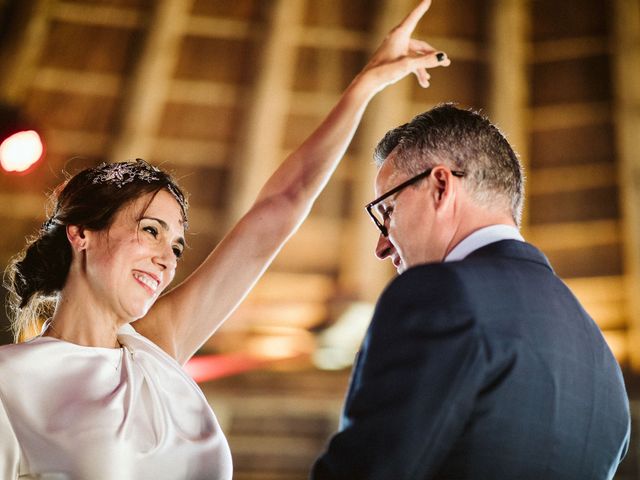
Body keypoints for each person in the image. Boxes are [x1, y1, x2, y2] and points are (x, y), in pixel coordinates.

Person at [0, 1, 449, 478]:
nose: (165, 260)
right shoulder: (11, 382)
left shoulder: (156, 347)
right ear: (81, 234)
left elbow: (280, 206)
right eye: (150, 230)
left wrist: (366, 85)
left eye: (176, 247)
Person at [311, 104, 631, 479]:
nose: (381, 247)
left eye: (387, 211)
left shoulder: (437, 294)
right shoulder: (601, 359)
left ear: (441, 186)